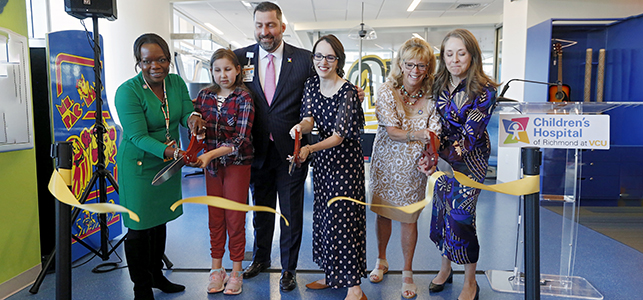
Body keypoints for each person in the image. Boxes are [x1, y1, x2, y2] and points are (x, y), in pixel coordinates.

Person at [114, 33, 205, 300]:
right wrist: (173, 151)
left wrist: (192, 120)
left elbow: (187, 109)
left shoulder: (175, 82)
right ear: (138, 63)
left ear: (168, 59)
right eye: (148, 61)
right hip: (140, 167)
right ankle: (141, 287)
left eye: (162, 59)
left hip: (169, 163)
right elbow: (137, 136)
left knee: (159, 220)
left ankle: (157, 276)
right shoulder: (127, 92)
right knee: (139, 228)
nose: (156, 66)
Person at [289, 34, 367, 300]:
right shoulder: (311, 84)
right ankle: (332, 275)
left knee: (344, 221)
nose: (323, 61)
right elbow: (309, 118)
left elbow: (338, 136)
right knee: (325, 219)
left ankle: (354, 287)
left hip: (345, 166)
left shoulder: (347, 91)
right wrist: (301, 128)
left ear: (338, 61)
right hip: (323, 166)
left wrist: (309, 148)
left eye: (330, 57)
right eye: (319, 56)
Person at [368, 37, 441, 299]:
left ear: (429, 67)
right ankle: (381, 259)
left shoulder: (434, 94)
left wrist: (428, 152)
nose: (415, 71)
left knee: (409, 218)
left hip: (415, 166)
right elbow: (392, 131)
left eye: (422, 66)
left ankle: (407, 271)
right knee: (383, 213)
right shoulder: (387, 90)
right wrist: (421, 133)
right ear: (401, 64)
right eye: (410, 64)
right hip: (386, 163)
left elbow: (436, 133)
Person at [428, 28, 498, 300]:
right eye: (449, 53)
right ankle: (445, 270)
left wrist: (436, 153)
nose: (455, 59)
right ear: (443, 56)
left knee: (462, 218)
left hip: (470, 160)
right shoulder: (437, 83)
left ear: (472, 55)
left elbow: (470, 135)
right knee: (443, 212)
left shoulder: (485, 89)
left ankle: (471, 281)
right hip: (441, 159)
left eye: (461, 53)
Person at [191, 48, 254, 295]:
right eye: (217, 70)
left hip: (237, 165)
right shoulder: (204, 96)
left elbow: (241, 140)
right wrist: (194, 129)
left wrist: (209, 154)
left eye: (228, 69)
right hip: (212, 168)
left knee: (235, 218)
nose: (223, 75)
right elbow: (195, 128)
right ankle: (217, 269)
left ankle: (236, 270)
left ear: (238, 70)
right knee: (215, 217)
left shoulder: (244, 98)